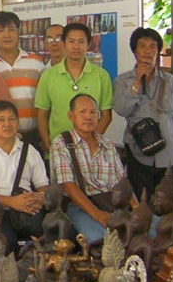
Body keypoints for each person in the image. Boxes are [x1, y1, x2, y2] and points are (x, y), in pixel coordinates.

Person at [113, 27, 173, 200]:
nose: (148, 51)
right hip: (138, 152)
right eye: (142, 46)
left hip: (169, 153)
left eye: (152, 46)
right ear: (134, 51)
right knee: (141, 204)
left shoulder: (170, 82)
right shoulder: (122, 81)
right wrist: (136, 85)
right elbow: (120, 109)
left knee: (166, 203)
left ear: (157, 51)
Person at [50, 94, 135, 244]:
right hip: (80, 206)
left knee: (153, 230)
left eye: (93, 112)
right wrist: (98, 214)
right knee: (102, 241)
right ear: (71, 116)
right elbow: (68, 185)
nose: (88, 116)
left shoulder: (107, 144)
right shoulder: (61, 143)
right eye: (82, 112)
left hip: (112, 203)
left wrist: (137, 209)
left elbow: (122, 183)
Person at [0, 100, 49, 255]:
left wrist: (39, 198)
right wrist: (12, 202)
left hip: (27, 211)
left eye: (12, 119)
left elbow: (43, 185)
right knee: (6, 244)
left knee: (53, 237)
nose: (7, 124)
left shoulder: (29, 149)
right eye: (1, 120)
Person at [36, 22, 113, 154]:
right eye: (71, 41)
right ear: (64, 43)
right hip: (58, 149)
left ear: (88, 44)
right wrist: (48, 145)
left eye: (81, 42)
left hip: (91, 150)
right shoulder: (48, 76)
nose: (76, 46)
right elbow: (41, 113)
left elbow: (106, 115)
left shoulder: (101, 75)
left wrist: (92, 142)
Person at [0, 12, 45, 151]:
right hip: (1, 140)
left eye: (11, 29)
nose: (7, 35)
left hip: (34, 137)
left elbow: (46, 101)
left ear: (18, 32)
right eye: (1, 30)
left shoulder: (36, 62)